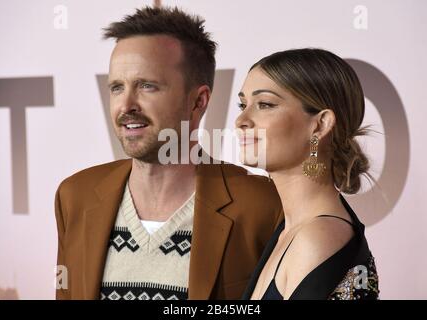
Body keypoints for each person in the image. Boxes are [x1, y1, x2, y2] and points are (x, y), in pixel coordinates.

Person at [54, 6, 283, 300]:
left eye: (147, 86)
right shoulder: (75, 196)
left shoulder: (261, 207)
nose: (126, 106)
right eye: (116, 87)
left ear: (198, 101)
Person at [236, 48, 379, 300]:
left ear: (321, 124)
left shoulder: (317, 237)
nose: (241, 120)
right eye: (243, 104)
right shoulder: (291, 231)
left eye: (265, 104)